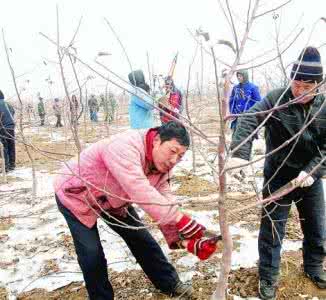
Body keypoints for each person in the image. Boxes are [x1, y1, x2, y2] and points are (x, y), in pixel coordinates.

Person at [53, 121, 221, 300]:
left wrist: (182, 238)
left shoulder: (161, 164)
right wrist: (181, 220)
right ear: (157, 140)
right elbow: (138, 188)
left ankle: (169, 283)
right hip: (78, 194)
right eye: (173, 151)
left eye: (180, 156)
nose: (174, 160)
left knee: (142, 239)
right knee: (91, 253)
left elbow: (164, 196)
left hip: (114, 199)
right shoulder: (124, 147)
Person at [227, 47, 326, 300]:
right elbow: (250, 118)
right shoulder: (276, 98)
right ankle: (268, 276)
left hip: (309, 178)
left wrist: (311, 172)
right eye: (296, 83)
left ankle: (314, 267)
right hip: (278, 176)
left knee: (316, 227)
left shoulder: (324, 107)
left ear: (318, 85)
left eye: (306, 86)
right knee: (272, 231)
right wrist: (240, 153)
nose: (299, 91)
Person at [0, 90, 15, 172]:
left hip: (3, 128)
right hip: (11, 127)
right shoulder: (7, 104)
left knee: (4, 147)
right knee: (11, 146)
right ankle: (12, 164)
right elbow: (13, 112)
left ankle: (6, 167)